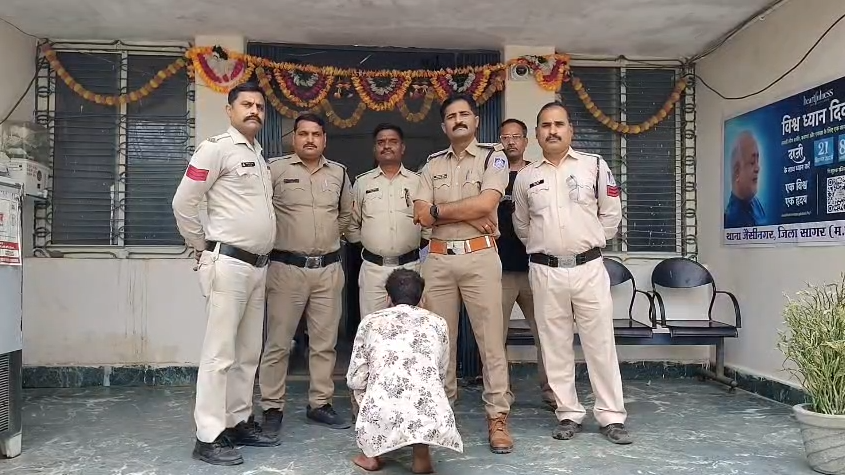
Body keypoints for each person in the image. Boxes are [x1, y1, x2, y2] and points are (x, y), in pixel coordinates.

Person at [171, 81, 279, 466]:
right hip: (228, 263)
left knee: (248, 352)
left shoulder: (259, 156)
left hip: (257, 266)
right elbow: (183, 202)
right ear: (230, 110)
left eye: (259, 106)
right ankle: (209, 435)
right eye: (246, 104)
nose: (254, 111)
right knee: (219, 354)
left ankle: (238, 421)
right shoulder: (215, 148)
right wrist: (200, 245)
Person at [512, 101, 631, 445]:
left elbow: (611, 214)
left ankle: (611, 416)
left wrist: (585, 243)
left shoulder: (594, 165)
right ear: (537, 134)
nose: (552, 131)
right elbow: (522, 225)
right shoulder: (526, 177)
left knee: (600, 344)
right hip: (546, 271)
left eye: (559, 124)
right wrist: (549, 247)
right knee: (555, 346)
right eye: (546, 125)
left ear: (570, 130)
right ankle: (568, 413)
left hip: (589, 269)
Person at [412, 94, 514, 454]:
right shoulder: (431, 164)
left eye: (464, 114)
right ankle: (441, 417)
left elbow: (487, 203)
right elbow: (420, 212)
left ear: (476, 121)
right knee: (441, 344)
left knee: (491, 342)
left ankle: (497, 418)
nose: (458, 120)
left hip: (479, 258)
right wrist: (470, 214)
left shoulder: (493, 157)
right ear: (444, 126)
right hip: (438, 260)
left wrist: (440, 211)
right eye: (451, 116)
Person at [258, 113, 354, 434]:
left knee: (324, 343)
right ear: (294, 138)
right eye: (303, 134)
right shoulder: (275, 170)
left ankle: (320, 403)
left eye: (316, 134)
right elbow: (262, 212)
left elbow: (345, 215)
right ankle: (272, 407)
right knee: (278, 342)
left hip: (328, 270)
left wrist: (325, 240)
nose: (309, 139)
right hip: (286, 269)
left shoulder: (339, 173)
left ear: (324, 139)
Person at [347, 268, 462, 474]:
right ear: (422, 299)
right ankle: (421, 455)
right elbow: (441, 371)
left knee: (363, 385)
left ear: (388, 298)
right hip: (429, 413)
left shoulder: (370, 322)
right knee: (425, 388)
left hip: (382, 408)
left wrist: (363, 396)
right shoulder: (438, 323)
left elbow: (356, 375)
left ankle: (370, 454)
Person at [497, 118, 555, 409]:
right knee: (496, 338)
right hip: (499, 271)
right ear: (500, 142)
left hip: (536, 267)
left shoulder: (537, 176)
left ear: (526, 141)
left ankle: (552, 390)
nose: (511, 142)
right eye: (505, 137)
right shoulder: (490, 178)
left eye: (516, 136)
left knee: (546, 333)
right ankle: (501, 393)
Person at [347, 123, 429, 317]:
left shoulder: (418, 182)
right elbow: (351, 224)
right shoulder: (362, 183)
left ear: (402, 147)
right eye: (381, 142)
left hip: (410, 267)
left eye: (393, 141)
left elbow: (428, 225)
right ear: (374, 149)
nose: (386, 146)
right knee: (372, 324)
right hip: (373, 270)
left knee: (410, 325)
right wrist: (373, 247)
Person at [724, 131, 764, 228]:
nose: (757, 168)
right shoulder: (732, 220)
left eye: (757, 161)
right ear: (737, 171)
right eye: (752, 162)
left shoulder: (756, 203)